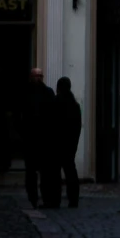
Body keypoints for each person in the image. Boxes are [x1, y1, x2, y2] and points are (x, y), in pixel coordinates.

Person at [23, 68, 59, 209]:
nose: (38, 78)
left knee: (44, 172)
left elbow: (53, 116)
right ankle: (33, 197)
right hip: (31, 138)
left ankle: (44, 198)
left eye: (40, 76)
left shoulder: (48, 93)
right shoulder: (27, 93)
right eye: (35, 76)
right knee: (31, 172)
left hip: (44, 139)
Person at [52, 76, 83, 209]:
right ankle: (73, 199)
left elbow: (52, 124)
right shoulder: (75, 105)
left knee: (55, 173)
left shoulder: (57, 102)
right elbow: (77, 126)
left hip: (58, 143)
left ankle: (55, 199)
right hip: (71, 143)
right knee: (71, 171)